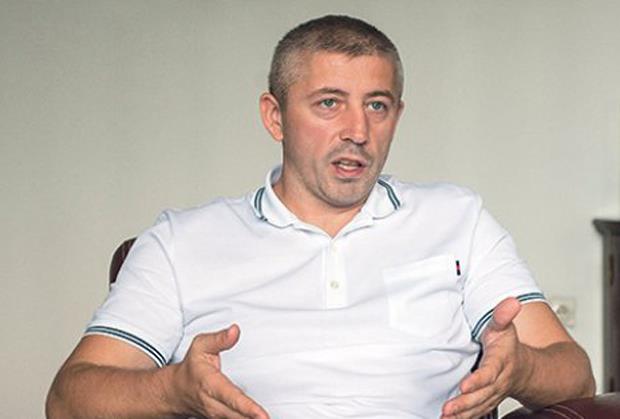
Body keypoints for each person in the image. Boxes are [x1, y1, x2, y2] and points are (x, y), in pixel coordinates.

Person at [46, 15, 594, 419]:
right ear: (275, 117)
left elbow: (576, 373)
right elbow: (68, 400)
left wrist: (520, 369)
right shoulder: (180, 242)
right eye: (329, 103)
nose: (358, 130)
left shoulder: (459, 219)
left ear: (397, 115)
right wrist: (174, 390)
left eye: (377, 105)